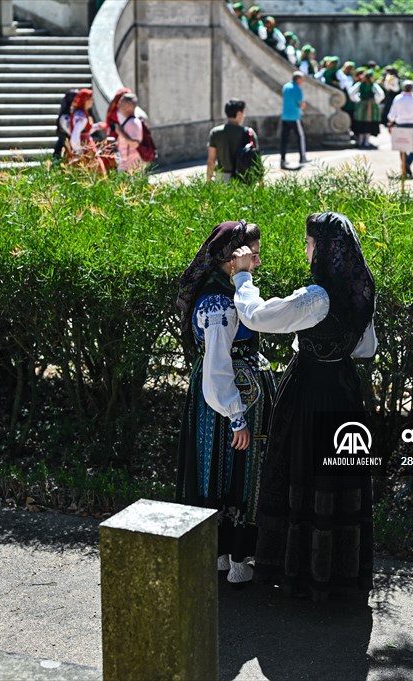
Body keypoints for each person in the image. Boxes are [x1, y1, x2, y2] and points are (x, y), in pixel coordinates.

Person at [231, 211, 378, 601]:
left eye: (311, 244)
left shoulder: (316, 298)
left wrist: (243, 277)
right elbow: (367, 349)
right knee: (336, 479)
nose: (307, 251)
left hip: (310, 391)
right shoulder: (360, 291)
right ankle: (336, 577)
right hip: (344, 390)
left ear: (326, 250)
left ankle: (298, 576)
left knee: (299, 472)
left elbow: (257, 316)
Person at [176, 220, 275, 587]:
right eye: (254, 255)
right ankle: (233, 559)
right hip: (225, 401)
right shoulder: (217, 303)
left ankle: (223, 555)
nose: (258, 262)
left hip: (228, 397)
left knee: (220, 466)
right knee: (230, 468)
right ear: (232, 259)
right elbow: (218, 367)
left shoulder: (226, 291)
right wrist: (236, 418)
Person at [206, 98, 257, 183]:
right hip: (243, 177)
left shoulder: (215, 132)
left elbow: (211, 161)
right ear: (239, 113)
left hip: (222, 178)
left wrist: (208, 181)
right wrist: (260, 183)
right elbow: (256, 160)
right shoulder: (249, 133)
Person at [386, 79, 413, 178]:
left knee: (404, 146)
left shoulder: (400, 98)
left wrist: (390, 124)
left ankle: (405, 164)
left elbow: (392, 114)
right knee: (406, 146)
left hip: (404, 124)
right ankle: (406, 165)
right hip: (409, 125)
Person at [66, 88, 105, 174]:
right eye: (91, 99)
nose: (92, 101)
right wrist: (78, 151)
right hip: (84, 148)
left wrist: (97, 126)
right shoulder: (81, 116)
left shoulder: (81, 114)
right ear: (85, 100)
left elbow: (84, 132)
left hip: (85, 146)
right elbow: (75, 134)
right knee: (93, 170)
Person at [279, 72, 308, 170]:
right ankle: (302, 158)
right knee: (300, 137)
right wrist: (304, 106)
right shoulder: (297, 89)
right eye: (302, 80)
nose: (302, 82)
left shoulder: (286, 87)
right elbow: (300, 103)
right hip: (294, 117)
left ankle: (282, 159)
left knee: (284, 139)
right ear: (298, 79)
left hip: (285, 116)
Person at [349, 69, 384, 149]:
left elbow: (351, 93)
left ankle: (361, 142)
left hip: (362, 106)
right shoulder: (372, 85)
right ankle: (366, 142)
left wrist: (357, 100)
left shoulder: (360, 84)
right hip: (370, 106)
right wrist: (375, 101)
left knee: (361, 122)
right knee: (367, 122)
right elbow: (381, 95)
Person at [113, 92, 145, 173]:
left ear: (129, 106)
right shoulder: (129, 121)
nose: (118, 105)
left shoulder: (133, 123)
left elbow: (134, 144)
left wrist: (120, 132)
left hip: (131, 168)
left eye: (121, 103)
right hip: (127, 166)